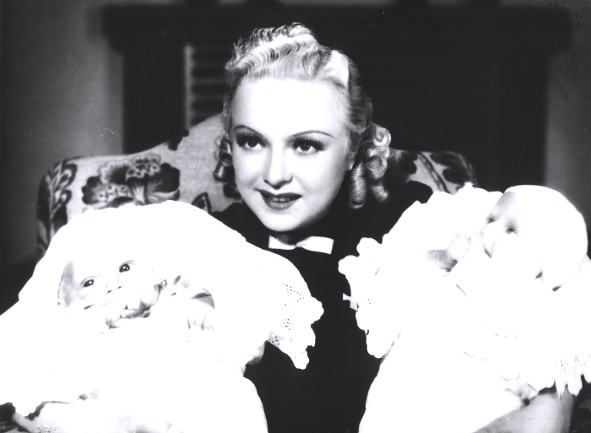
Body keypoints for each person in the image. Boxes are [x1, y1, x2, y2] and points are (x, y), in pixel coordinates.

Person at [211, 23, 575, 433]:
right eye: (252, 141)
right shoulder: (199, 243)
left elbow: (565, 279)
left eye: (306, 145)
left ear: (353, 149)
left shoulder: (417, 223)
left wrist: (551, 402)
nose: (274, 174)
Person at [0, 201, 322, 433]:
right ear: (63, 302)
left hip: (188, 402)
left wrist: (209, 312)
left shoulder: (175, 304)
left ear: (154, 272)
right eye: (89, 283)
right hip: (112, 409)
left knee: (235, 399)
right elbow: (25, 379)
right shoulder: (70, 330)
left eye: (125, 267)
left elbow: (245, 336)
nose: (113, 285)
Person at [340, 184, 589, 433]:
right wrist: (440, 258)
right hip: (401, 397)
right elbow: (404, 289)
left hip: (468, 411)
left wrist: (474, 263)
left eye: (511, 230)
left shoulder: (536, 302)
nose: (489, 229)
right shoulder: (455, 270)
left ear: (544, 263)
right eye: (491, 218)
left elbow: (503, 316)